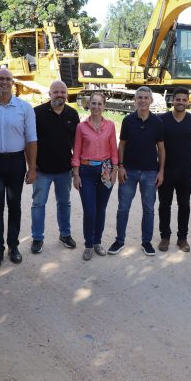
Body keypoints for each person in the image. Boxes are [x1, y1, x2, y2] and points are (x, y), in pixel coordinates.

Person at [0, 68, 37, 269]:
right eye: (0, 79)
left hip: (16, 162)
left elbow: (31, 139)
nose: (4, 82)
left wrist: (32, 168)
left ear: (13, 82)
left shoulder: (24, 107)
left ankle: (13, 246)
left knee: (15, 206)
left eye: (7, 79)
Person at [108, 86, 165, 256]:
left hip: (150, 173)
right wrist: (120, 166)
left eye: (145, 98)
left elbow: (161, 149)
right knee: (123, 208)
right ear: (135, 100)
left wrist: (161, 171)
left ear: (151, 101)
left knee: (148, 209)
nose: (142, 100)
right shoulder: (128, 121)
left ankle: (146, 242)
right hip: (129, 171)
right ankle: (119, 240)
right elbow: (122, 145)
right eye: (139, 97)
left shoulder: (158, 122)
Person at [30, 81, 80, 254]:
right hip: (42, 170)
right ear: (49, 94)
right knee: (38, 204)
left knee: (64, 203)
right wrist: (32, 166)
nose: (60, 95)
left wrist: (76, 169)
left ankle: (65, 235)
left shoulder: (72, 114)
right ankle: (37, 238)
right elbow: (31, 141)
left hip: (64, 170)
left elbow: (77, 144)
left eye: (63, 92)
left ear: (67, 94)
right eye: (56, 92)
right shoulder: (37, 113)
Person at [72, 93, 119, 261]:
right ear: (89, 105)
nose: (96, 106)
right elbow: (76, 152)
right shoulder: (81, 127)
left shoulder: (110, 126)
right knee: (90, 211)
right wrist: (76, 174)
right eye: (93, 103)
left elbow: (114, 149)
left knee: (101, 209)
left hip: (106, 170)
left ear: (104, 106)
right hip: (86, 171)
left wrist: (115, 169)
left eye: (100, 103)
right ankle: (88, 244)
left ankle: (97, 242)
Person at [157, 87, 191, 252]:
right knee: (164, 205)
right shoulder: (162, 120)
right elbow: (157, 145)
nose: (181, 102)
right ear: (172, 101)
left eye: (184, 100)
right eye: (178, 99)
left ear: (188, 102)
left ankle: (182, 238)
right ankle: (165, 237)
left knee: (184, 204)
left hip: (185, 171)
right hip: (166, 171)